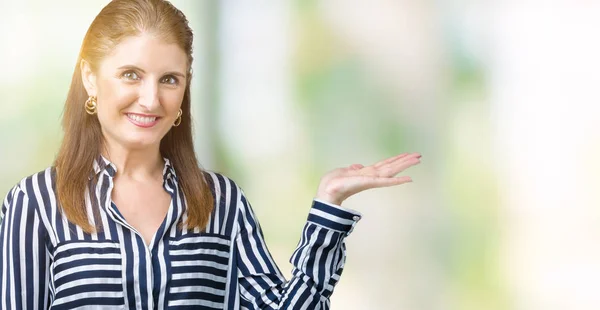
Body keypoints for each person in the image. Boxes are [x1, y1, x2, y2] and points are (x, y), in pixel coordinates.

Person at [0, 0, 421, 309]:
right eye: (131, 74)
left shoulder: (221, 202)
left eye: (169, 79)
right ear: (90, 78)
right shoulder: (34, 204)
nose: (150, 99)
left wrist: (329, 207)